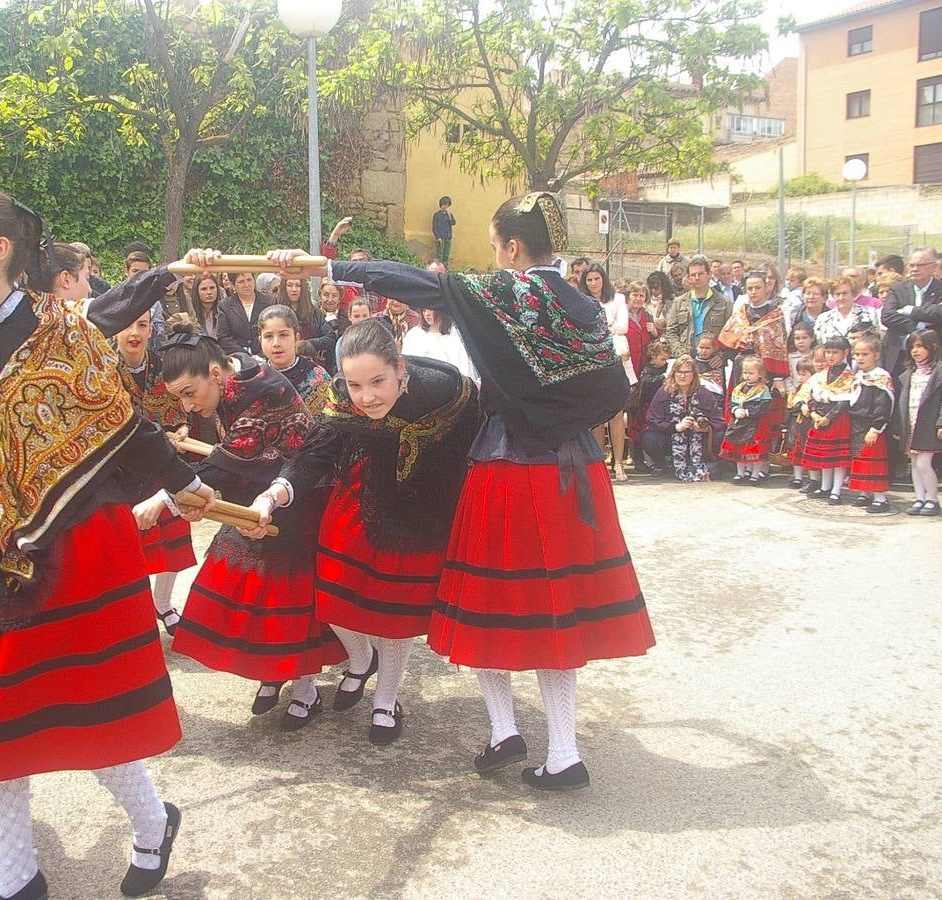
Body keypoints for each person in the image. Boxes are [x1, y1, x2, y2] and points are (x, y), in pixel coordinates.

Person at [269, 189, 654, 790]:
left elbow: (417, 284)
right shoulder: (584, 305)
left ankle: (505, 728)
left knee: (482, 605)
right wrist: (556, 423)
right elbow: (614, 393)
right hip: (574, 471)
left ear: (514, 247)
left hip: (506, 466)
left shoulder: (504, 292)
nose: (494, 257)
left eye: (497, 246)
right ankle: (562, 750)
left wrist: (327, 266)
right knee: (556, 615)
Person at [0, 185, 211, 899]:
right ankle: (17, 872)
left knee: (91, 718)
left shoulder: (66, 333)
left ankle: (154, 822)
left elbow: (124, 427)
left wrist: (182, 483)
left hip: (80, 554)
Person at [249, 320, 480, 744]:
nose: (367, 397)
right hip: (361, 498)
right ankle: (360, 658)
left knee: (396, 616)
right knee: (334, 597)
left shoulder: (451, 392)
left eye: (378, 381)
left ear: (401, 368)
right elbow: (316, 452)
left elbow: (468, 454)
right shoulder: (343, 399)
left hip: (422, 510)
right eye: (355, 385)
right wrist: (274, 493)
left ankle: (386, 699)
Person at [154, 324, 344, 728]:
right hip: (255, 488)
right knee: (248, 588)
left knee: (288, 597)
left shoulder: (259, 387)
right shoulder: (229, 380)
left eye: (190, 393)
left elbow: (232, 456)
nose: (188, 406)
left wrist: (165, 497)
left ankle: (306, 689)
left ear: (216, 373)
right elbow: (233, 459)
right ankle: (272, 674)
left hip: (298, 495)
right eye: (181, 398)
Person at [117, 308, 195, 635]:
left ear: (151, 329)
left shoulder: (164, 366)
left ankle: (163, 603)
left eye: (143, 325)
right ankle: (132, 610)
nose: (134, 332)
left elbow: (181, 412)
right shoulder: (100, 368)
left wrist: (183, 428)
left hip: (164, 465)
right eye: (128, 324)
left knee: (172, 544)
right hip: (121, 471)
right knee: (130, 547)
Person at [895, 330, 942, 517]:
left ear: (932, 347)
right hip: (911, 420)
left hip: (929, 422)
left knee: (924, 462)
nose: (916, 350)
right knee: (913, 462)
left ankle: (933, 499)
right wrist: (898, 425)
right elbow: (901, 401)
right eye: (913, 346)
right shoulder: (908, 374)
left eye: (921, 346)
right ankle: (919, 497)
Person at [642, 354, 725, 482]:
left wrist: (705, 428)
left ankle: (699, 462)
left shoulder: (704, 393)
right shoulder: (664, 392)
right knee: (649, 438)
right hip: (672, 437)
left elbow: (719, 421)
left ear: (694, 374)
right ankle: (667, 463)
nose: (682, 375)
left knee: (721, 435)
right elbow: (652, 419)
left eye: (686, 372)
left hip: (699, 439)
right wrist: (675, 427)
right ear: (673, 373)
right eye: (679, 372)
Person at [583, 264, 632, 480]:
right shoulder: (582, 300)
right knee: (596, 416)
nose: (593, 283)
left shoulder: (618, 299)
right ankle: (599, 461)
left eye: (596, 279)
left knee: (617, 415)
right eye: (589, 280)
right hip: (593, 361)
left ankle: (619, 463)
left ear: (603, 279)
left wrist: (602, 326)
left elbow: (623, 327)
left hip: (616, 360)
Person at [881, 248, 942, 375]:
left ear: (933, 267)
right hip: (899, 355)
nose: (915, 269)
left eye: (920, 265)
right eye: (912, 265)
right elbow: (887, 316)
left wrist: (910, 310)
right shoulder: (897, 288)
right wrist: (919, 327)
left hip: (934, 356)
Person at [845, 334, 894, 513]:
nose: (860, 358)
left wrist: (876, 428)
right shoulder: (859, 376)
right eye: (857, 354)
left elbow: (883, 406)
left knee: (872, 461)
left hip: (871, 426)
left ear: (877, 355)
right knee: (859, 460)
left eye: (865, 354)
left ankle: (880, 498)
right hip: (857, 424)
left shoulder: (881, 378)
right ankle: (863, 493)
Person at [803, 337, 855, 504]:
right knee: (824, 455)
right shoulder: (821, 375)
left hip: (838, 418)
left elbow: (844, 401)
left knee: (837, 457)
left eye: (835, 352)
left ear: (845, 353)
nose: (830, 356)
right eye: (828, 352)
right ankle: (825, 486)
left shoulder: (849, 376)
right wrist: (814, 413)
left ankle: (836, 489)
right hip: (819, 415)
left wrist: (828, 417)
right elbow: (810, 395)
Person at [258, 304, 331, 414]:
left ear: (296, 338)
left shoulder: (317, 377)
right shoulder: (254, 380)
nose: (276, 343)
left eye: (283, 335)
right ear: (260, 341)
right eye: (268, 336)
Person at [720, 356, 775, 485]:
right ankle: (740, 473)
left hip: (756, 424)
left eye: (751, 373)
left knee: (755, 450)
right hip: (740, 424)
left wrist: (748, 412)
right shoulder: (738, 388)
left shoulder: (763, 390)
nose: (747, 376)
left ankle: (755, 474)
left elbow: (764, 407)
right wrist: (735, 411)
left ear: (760, 374)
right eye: (745, 373)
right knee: (739, 448)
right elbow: (731, 403)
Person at [664, 255, 729, 356]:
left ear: (709, 274)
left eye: (700, 274)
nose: (697, 278)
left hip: (713, 362)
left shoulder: (724, 302)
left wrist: (721, 356)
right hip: (687, 361)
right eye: (693, 275)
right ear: (689, 278)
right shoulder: (679, 303)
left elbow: (729, 334)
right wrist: (681, 354)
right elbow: (671, 332)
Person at [400, 304, 479, 383]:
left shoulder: (455, 337)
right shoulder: (414, 334)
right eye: (424, 310)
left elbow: (463, 368)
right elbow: (407, 364)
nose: (427, 314)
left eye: (431, 310)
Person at [627, 339, 671, 473]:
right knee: (641, 434)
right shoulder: (647, 370)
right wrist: (662, 378)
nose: (664, 362)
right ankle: (641, 461)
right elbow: (646, 384)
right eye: (662, 359)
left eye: (666, 360)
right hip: (647, 408)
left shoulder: (666, 368)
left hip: (662, 407)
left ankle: (661, 460)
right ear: (653, 356)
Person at [183, 271, 250, 354]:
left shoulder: (227, 310)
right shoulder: (190, 313)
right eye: (204, 289)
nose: (209, 292)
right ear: (196, 291)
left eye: (212, 288)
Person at [814, 277, 879, 344]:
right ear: (833, 296)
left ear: (853, 294)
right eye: (837, 294)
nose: (841, 297)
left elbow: (875, 342)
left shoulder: (869, 313)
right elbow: (819, 345)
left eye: (845, 293)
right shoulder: (823, 318)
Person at [785, 360, 816, 488]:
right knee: (796, 450)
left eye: (804, 374)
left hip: (808, 423)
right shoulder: (796, 389)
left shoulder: (814, 388)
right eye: (799, 374)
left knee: (807, 450)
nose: (800, 377)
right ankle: (797, 477)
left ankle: (812, 478)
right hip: (796, 423)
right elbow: (791, 405)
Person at [433, 195, 456, 265]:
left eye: (447, 205)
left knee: (446, 255)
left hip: (448, 237)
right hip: (441, 238)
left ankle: (445, 270)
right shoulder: (437, 215)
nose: (445, 207)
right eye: (444, 205)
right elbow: (434, 227)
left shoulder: (449, 215)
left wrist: (449, 215)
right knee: (439, 255)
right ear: (441, 205)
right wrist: (438, 237)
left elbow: (453, 223)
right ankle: (438, 270)